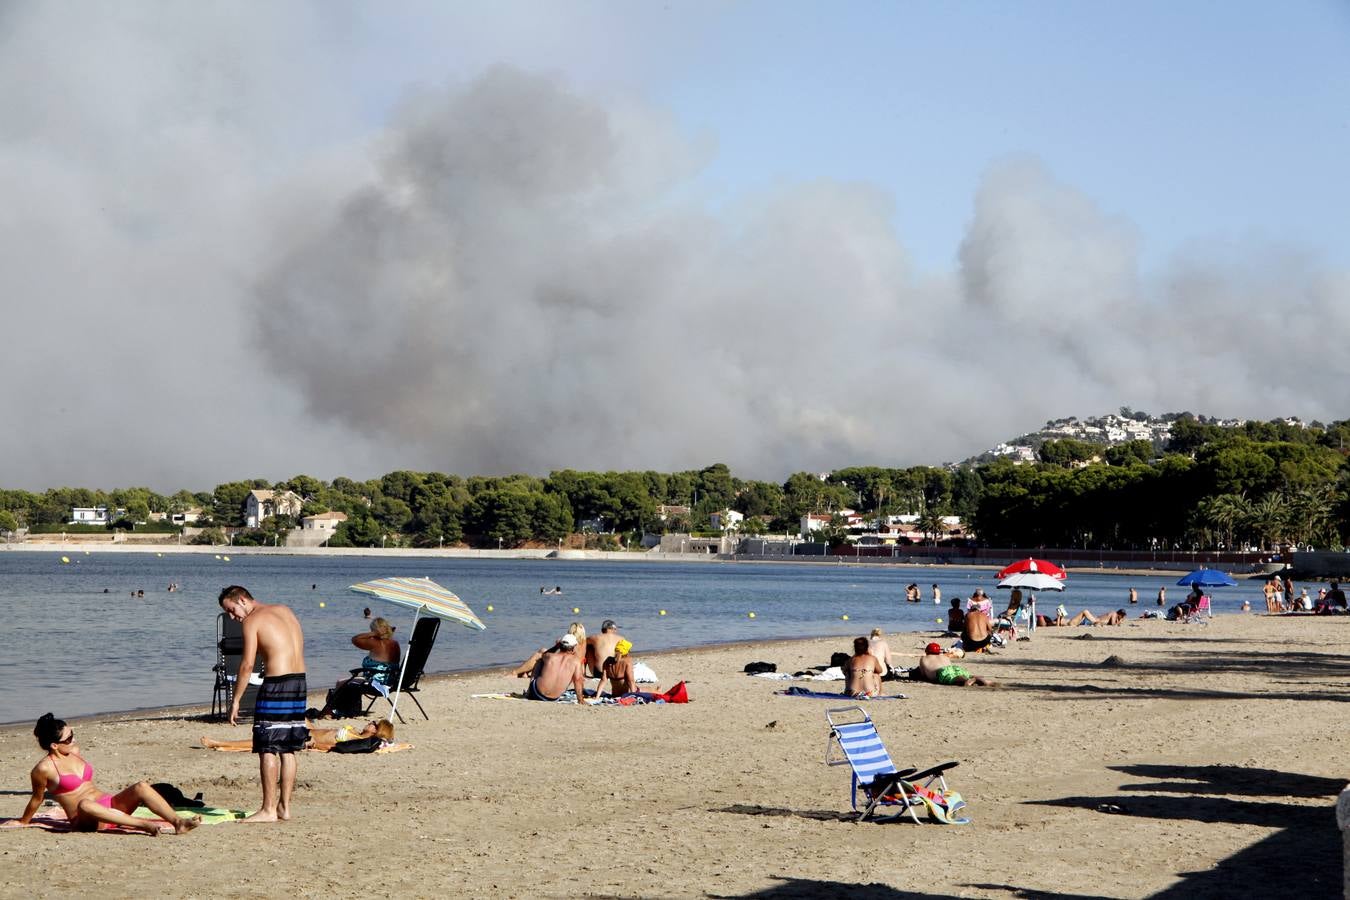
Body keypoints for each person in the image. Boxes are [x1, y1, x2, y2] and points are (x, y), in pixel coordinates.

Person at [16, 713, 201, 835]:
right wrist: (23, 822)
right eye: (69, 738)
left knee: (141, 786)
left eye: (73, 734)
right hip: (86, 818)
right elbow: (36, 799)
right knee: (85, 804)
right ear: (54, 745)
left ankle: (178, 823)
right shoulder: (43, 769)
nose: (75, 740)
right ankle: (143, 825)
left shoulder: (74, 751)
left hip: (110, 806)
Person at [219, 585, 307, 823]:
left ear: (242, 599)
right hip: (299, 682)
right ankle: (284, 808)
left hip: (277, 685)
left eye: (232, 609)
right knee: (287, 749)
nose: (232, 616)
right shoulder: (284, 610)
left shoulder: (253, 620)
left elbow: (247, 665)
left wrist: (235, 700)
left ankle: (268, 809)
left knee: (267, 747)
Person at [202, 719, 394, 753]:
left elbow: (333, 747)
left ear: (377, 731)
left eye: (375, 724)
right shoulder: (356, 732)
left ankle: (219, 742)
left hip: (307, 739)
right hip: (309, 730)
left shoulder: (359, 741)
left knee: (264, 742)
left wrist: (314, 746)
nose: (371, 723)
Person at [527, 633, 588, 702]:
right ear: (573, 648)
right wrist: (580, 699)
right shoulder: (576, 662)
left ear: (560, 645)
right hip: (553, 698)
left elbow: (543, 655)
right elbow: (578, 681)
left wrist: (556, 646)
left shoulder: (550, 657)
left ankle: (529, 690)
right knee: (575, 674)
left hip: (536, 692)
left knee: (539, 661)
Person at [513, 622, 587, 678]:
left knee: (539, 655)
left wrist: (557, 645)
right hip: (578, 670)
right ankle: (523, 672)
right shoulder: (584, 643)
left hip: (567, 670)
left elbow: (550, 655)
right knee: (543, 650)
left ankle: (515, 672)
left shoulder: (569, 642)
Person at [915, 643, 997, 687]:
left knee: (955, 678)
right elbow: (951, 670)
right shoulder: (943, 656)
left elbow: (923, 675)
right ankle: (981, 680)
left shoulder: (924, 658)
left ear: (927, 651)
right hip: (953, 668)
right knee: (960, 674)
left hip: (941, 672)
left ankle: (967, 681)